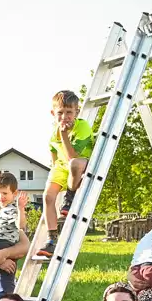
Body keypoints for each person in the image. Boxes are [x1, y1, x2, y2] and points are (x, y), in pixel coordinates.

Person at [37, 90, 94, 258]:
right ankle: (51, 239)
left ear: (77, 112)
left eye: (69, 112)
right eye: (60, 113)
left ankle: (70, 197)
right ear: (53, 113)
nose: (65, 117)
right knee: (48, 197)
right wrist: (55, 178)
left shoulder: (82, 126)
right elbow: (54, 155)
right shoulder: (54, 133)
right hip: (62, 167)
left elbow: (72, 157)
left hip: (82, 163)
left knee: (74, 164)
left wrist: (64, 135)